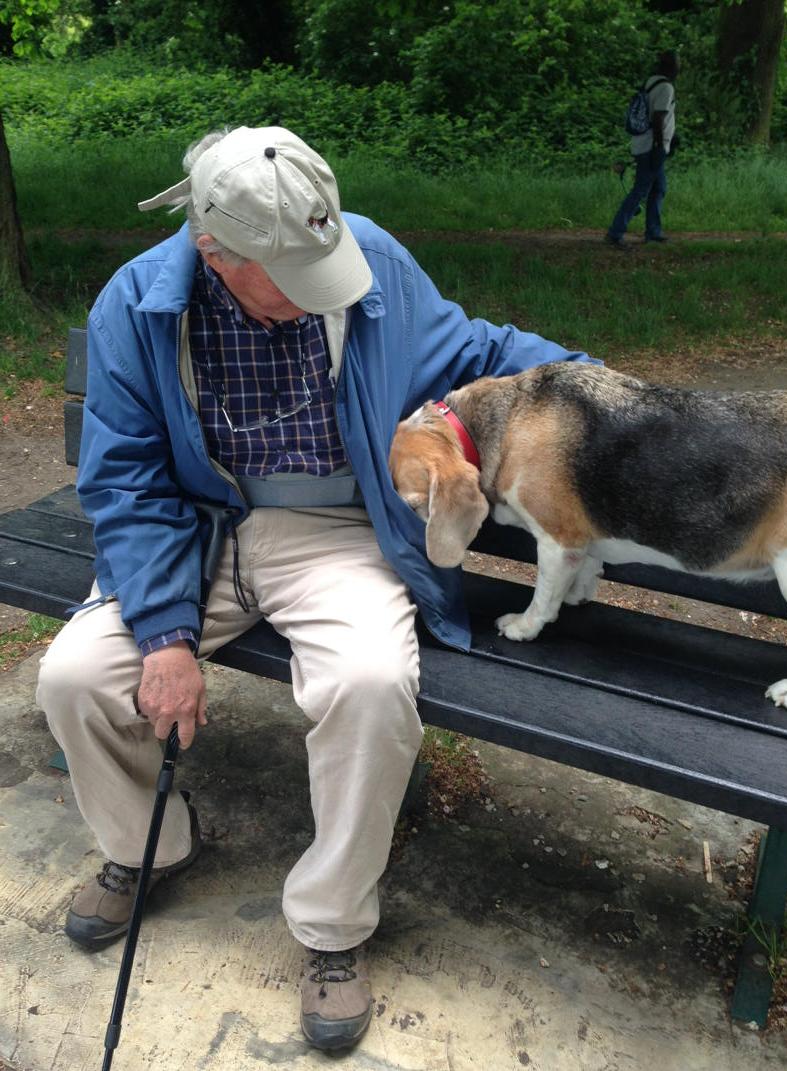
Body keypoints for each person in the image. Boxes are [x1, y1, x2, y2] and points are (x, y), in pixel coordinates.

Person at [35, 126, 595, 1052]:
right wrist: (166, 635)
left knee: (369, 684)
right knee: (74, 677)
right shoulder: (136, 302)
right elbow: (126, 479)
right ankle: (149, 847)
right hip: (194, 532)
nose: (323, 286)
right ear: (214, 250)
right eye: (293, 274)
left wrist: (601, 394)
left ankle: (332, 925)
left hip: (339, 530)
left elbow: (477, 349)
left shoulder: (367, 262)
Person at [606, 50, 679, 249]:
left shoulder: (650, 82)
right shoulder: (666, 87)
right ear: (672, 67)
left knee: (658, 188)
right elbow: (658, 117)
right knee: (640, 190)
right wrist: (659, 145)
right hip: (652, 147)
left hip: (642, 143)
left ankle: (653, 232)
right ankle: (615, 233)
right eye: (677, 64)